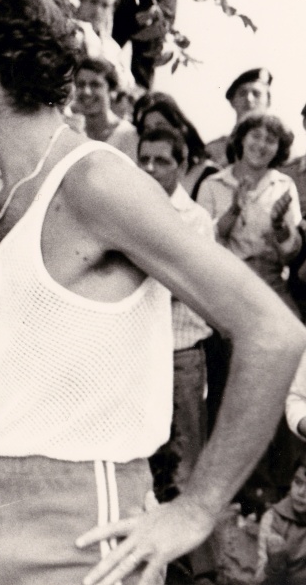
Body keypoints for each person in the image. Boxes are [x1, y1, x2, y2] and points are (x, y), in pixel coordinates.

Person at [0, 0, 305, 585]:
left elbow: (273, 331)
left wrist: (197, 509)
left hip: (87, 530)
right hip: (1, 510)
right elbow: (28, 355)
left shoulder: (94, 180)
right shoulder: (15, 193)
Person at [136, 128, 219, 585]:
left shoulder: (195, 219)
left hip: (181, 354)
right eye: (144, 159)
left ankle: (201, 570)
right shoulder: (130, 208)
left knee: (186, 462)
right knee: (144, 460)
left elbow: (185, 284)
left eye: (162, 160)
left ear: (182, 165)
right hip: (138, 355)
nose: (150, 169)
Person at [197, 113, 302, 311]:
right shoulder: (211, 184)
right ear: (242, 139)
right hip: (224, 282)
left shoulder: (284, 186)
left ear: (279, 149)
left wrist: (279, 225)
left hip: (270, 284)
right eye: (255, 136)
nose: (261, 145)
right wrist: (234, 210)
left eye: (270, 140)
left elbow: (290, 254)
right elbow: (203, 242)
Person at [135, 92, 219, 200]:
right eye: (148, 129)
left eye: (161, 126)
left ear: (180, 128)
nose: (155, 133)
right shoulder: (143, 166)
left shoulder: (207, 173)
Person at [72, 56, 140, 159]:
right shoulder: (74, 132)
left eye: (95, 85)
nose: (86, 92)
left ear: (112, 91)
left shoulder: (128, 135)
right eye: (80, 85)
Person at [204, 68, 274, 166]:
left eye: (256, 94)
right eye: (242, 93)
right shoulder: (214, 149)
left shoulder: (281, 148)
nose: (249, 99)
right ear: (232, 102)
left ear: (268, 102)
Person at [254, 461, 306, 584]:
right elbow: (260, 581)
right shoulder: (273, 518)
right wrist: (274, 564)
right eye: (298, 482)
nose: (301, 492)